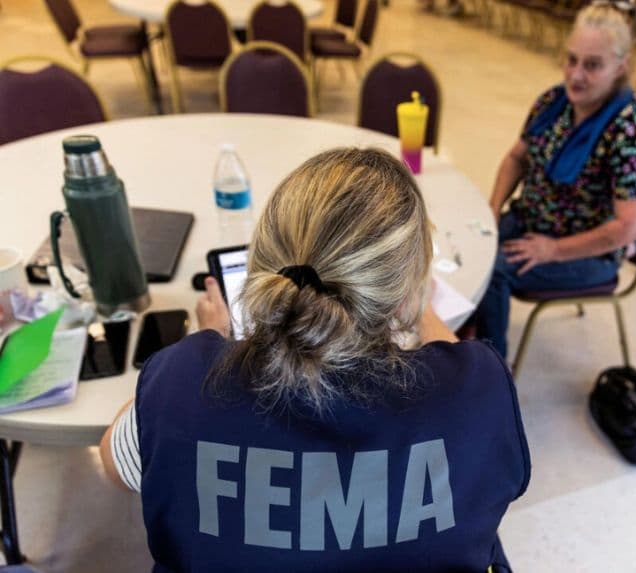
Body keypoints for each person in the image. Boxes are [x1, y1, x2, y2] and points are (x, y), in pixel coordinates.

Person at [99, 148, 530, 572]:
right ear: (400, 297)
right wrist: (416, 305)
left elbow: (115, 465)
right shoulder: (479, 391)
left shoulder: (182, 383)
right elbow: (452, 361)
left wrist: (208, 338)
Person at [474, 1, 636, 359]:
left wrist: (553, 250)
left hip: (590, 250)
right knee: (472, 242)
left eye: (592, 65)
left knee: (493, 271)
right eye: (571, 60)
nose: (575, 75)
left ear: (621, 66)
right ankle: (460, 346)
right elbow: (516, 157)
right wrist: (493, 208)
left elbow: (630, 227)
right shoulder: (554, 102)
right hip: (532, 218)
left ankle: (490, 376)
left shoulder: (632, 128)